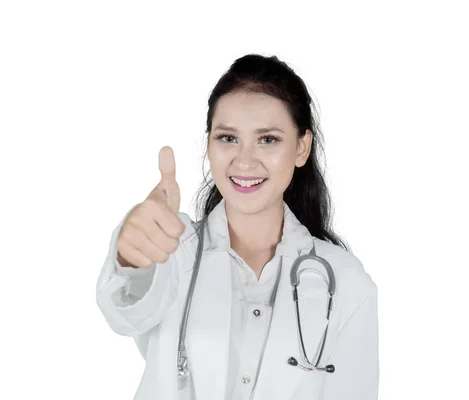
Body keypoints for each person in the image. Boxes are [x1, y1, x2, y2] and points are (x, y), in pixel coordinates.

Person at [96, 53, 379, 400]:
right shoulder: (174, 247)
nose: (244, 161)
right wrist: (131, 257)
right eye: (228, 138)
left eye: (268, 139)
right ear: (209, 144)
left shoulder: (346, 281)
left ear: (301, 147)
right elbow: (125, 313)